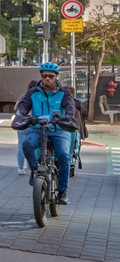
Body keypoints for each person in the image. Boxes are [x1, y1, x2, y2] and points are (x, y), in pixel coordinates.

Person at [16, 62, 77, 205]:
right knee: (27, 145)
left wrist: (68, 117)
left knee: (63, 155)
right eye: (44, 76)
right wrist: (21, 116)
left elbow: (70, 108)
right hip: (38, 129)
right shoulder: (33, 92)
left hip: (59, 130)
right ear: (41, 76)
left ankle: (63, 191)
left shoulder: (65, 92)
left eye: (51, 76)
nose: (47, 79)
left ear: (56, 77)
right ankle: (35, 171)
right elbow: (23, 106)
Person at [14, 80, 40, 175]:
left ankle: (20, 168)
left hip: (22, 123)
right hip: (33, 123)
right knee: (33, 145)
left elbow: (15, 108)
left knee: (21, 145)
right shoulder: (38, 97)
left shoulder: (23, 96)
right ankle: (32, 166)